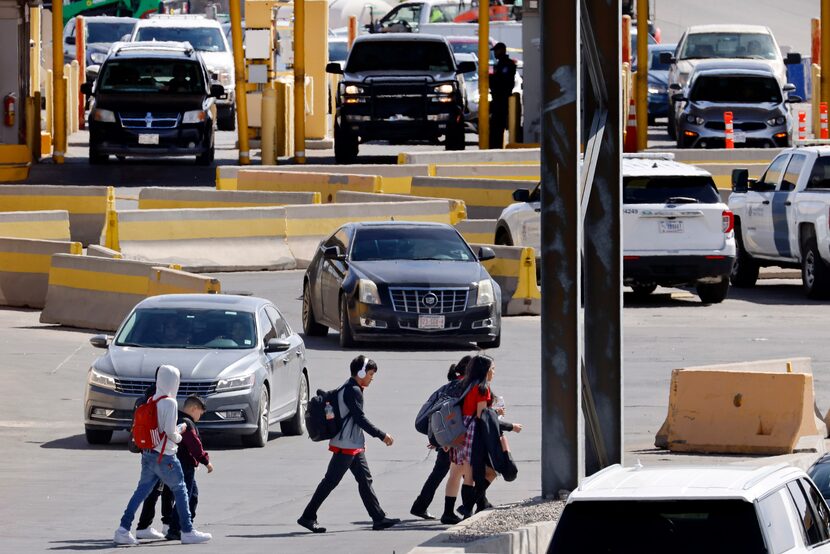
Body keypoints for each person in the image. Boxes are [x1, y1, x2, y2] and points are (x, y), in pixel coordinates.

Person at [298, 355, 400, 533]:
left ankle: (378, 518)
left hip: (352, 444)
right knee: (330, 481)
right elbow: (360, 419)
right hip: (347, 445)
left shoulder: (349, 386)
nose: (372, 378)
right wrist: (382, 435)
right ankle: (308, 516)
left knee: (365, 480)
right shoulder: (354, 390)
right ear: (361, 372)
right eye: (370, 374)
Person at [113, 365, 212, 545]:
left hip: (148, 454)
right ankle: (187, 530)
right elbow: (170, 433)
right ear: (174, 381)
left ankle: (123, 529)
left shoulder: (152, 399)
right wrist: (180, 432)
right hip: (165, 456)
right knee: (181, 490)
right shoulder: (170, 402)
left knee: (141, 492)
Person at [410, 356, 472, 523]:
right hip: (453, 439)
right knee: (465, 470)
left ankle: (420, 505)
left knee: (442, 472)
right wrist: (445, 441)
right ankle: (469, 507)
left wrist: (437, 438)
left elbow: (434, 415)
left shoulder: (446, 387)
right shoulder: (463, 387)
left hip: (444, 437)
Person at [165, 395, 214, 541]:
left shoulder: (176, 418)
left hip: (174, 462)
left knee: (189, 495)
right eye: (200, 413)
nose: (200, 416)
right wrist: (206, 461)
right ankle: (180, 528)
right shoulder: (187, 424)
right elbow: (195, 445)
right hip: (185, 465)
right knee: (187, 497)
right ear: (194, 409)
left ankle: (180, 527)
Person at [489, 42, 516, 149]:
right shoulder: (500, 64)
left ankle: (496, 146)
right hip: (497, 99)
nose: (495, 53)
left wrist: (492, 80)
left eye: (496, 51)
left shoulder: (507, 64)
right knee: (495, 125)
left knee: (498, 125)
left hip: (502, 99)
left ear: (502, 50)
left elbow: (504, 82)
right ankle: (494, 145)